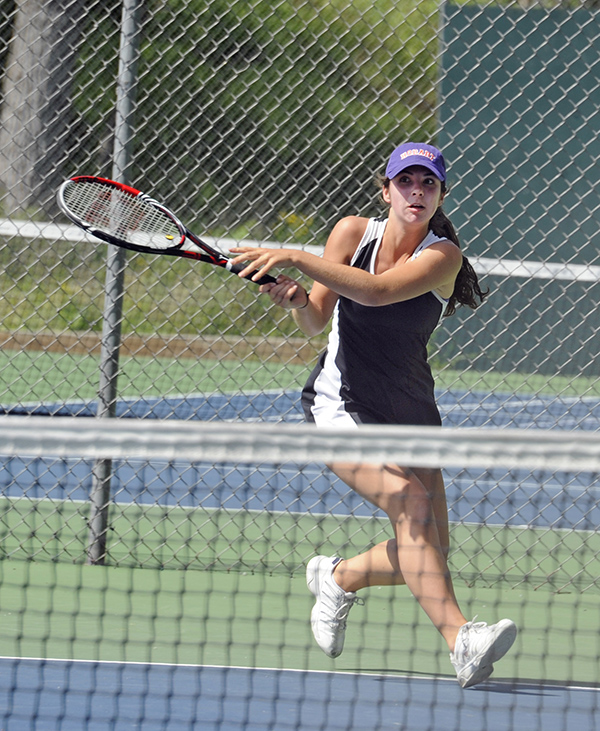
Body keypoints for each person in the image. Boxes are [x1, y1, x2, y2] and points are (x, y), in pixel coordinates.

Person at [229, 143, 517, 689]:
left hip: (411, 412)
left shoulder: (444, 257)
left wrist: (294, 256)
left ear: (438, 197)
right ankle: (462, 639)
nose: (416, 192)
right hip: (341, 404)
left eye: (427, 184)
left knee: (432, 545)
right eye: (405, 182)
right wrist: (292, 298)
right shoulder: (350, 234)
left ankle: (338, 578)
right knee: (412, 506)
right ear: (385, 191)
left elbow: (380, 293)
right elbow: (315, 320)